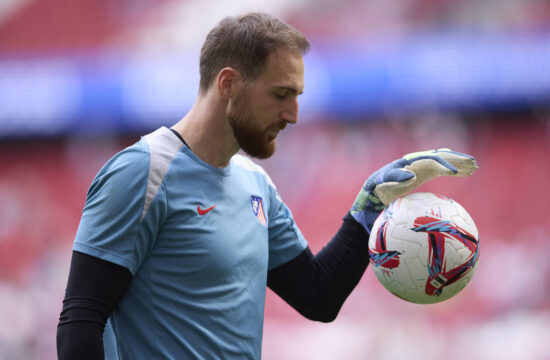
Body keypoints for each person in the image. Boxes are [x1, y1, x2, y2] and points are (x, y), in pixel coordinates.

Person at [56, 12, 478, 359]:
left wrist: (369, 205)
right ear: (228, 84)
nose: (293, 114)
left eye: (297, 96)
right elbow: (82, 319)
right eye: (281, 95)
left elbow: (318, 297)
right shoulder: (143, 172)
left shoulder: (255, 183)